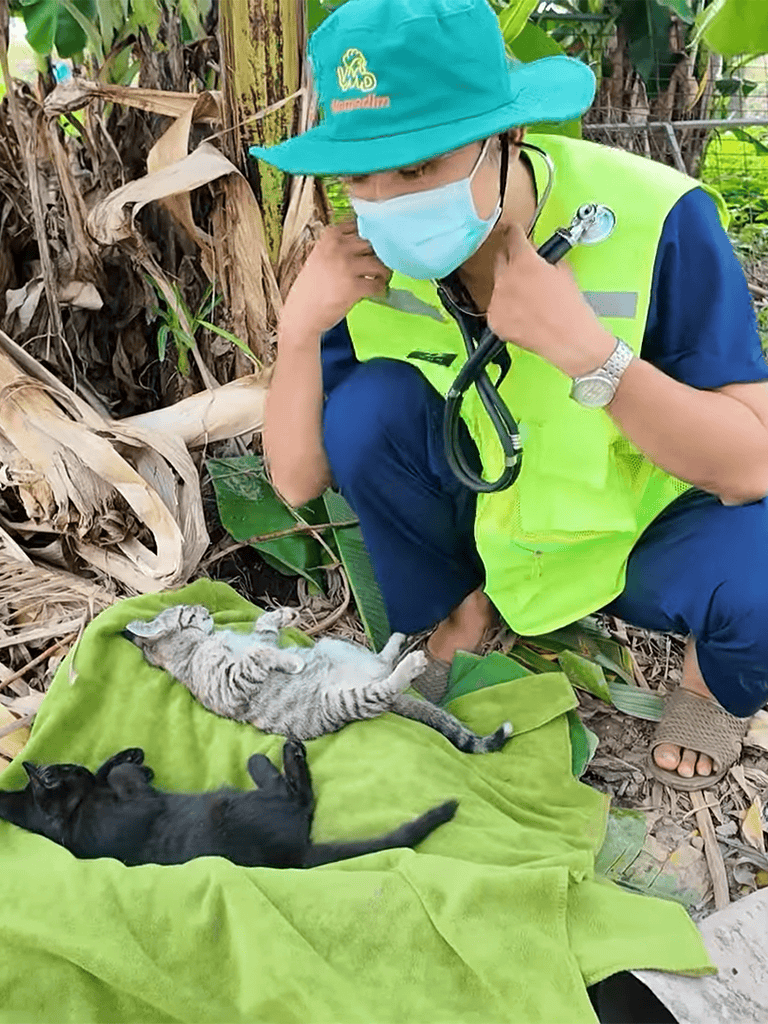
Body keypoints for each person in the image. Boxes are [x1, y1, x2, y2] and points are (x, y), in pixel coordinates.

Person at [250, 0, 768, 792]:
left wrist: (589, 353)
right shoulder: (358, 264)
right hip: (496, 527)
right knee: (362, 411)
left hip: (644, 529)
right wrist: (296, 330)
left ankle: (705, 682)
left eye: (420, 166)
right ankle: (464, 612)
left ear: (510, 137)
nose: (386, 200)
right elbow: (295, 482)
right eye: (359, 175)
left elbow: (754, 464)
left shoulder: (659, 218)